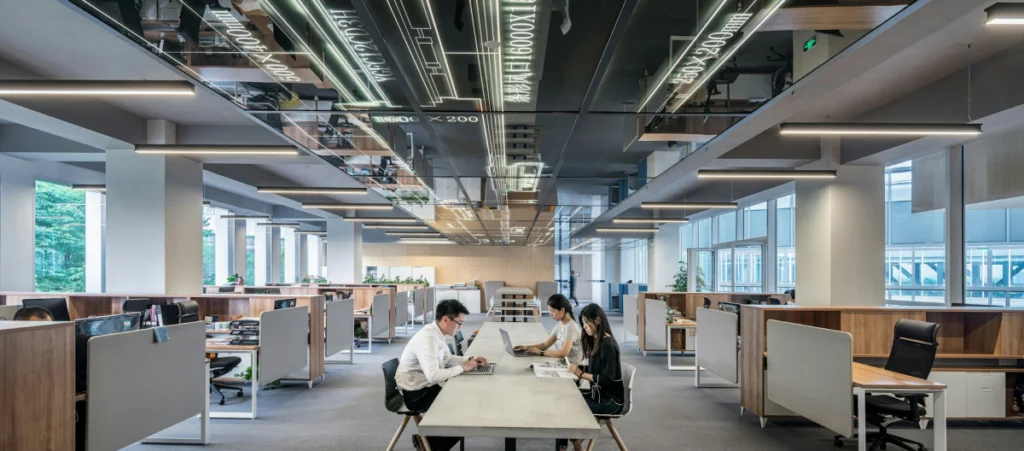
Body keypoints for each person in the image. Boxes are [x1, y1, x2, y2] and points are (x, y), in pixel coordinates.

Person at [396, 299, 487, 451]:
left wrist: (470, 360)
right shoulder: (428, 338)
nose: (460, 327)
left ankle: (430, 443)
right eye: (459, 323)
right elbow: (433, 375)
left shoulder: (437, 334)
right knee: (465, 406)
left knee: (466, 401)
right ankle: (432, 445)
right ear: (446, 319)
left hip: (426, 386)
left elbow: (448, 359)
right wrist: (463, 368)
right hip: (415, 394)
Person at [567, 304, 624, 451]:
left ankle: (575, 445)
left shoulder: (607, 345)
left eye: (587, 323)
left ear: (597, 320)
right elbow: (596, 370)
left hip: (610, 401)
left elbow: (606, 379)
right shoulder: (598, 342)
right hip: (598, 395)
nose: (584, 327)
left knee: (569, 409)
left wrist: (580, 373)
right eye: (583, 323)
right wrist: (577, 368)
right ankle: (570, 444)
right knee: (566, 401)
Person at [514, 294, 583, 364]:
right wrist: (526, 347)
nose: (550, 314)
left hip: (572, 367)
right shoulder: (560, 325)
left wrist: (541, 353)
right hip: (563, 362)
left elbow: (563, 353)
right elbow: (545, 345)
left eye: (552, 311)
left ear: (562, 310)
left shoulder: (571, 327)